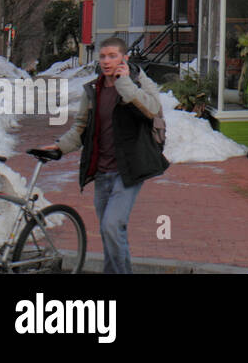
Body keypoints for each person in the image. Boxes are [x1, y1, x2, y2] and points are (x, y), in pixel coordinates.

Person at [43, 37, 168, 274]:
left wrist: (125, 85)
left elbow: (152, 109)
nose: (106, 61)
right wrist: (60, 146)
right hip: (102, 171)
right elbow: (81, 127)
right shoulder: (94, 89)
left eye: (112, 56)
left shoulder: (138, 82)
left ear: (124, 58)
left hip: (128, 169)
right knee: (110, 231)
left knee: (112, 226)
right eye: (103, 56)